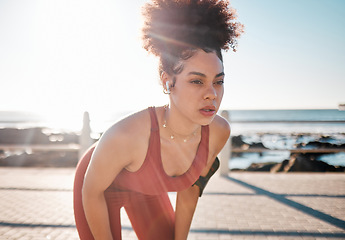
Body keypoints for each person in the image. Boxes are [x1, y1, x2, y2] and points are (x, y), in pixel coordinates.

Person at [73, 0, 243, 239]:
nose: (212, 94)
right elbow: (91, 192)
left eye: (218, 81)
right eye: (197, 81)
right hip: (97, 190)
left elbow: (190, 191)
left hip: (146, 190)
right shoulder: (125, 136)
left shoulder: (218, 132)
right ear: (167, 81)